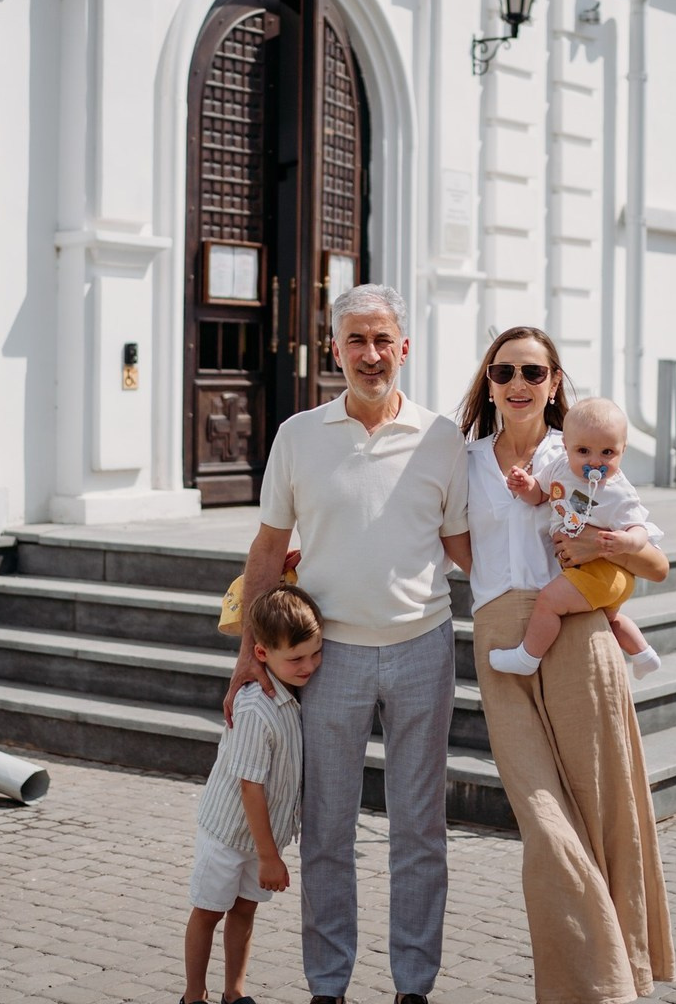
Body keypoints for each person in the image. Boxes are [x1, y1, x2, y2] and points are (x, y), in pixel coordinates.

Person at [224, 284, 470, 1004]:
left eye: (382, 339)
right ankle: (327, 986)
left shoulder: (441, 437)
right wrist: (249, 656)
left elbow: (463, 545)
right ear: (335, 350)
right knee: (328, 829)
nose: (370, 354)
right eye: (355, 341)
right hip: (328, 659)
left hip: (423, 646)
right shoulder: (298, 435)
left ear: (404, 346)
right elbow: (269, 549)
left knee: (419, 830)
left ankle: (413, 986)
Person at [457, 326, 675, 1002]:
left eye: (533, 371)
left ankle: (609, 982)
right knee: (546, 824)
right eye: (503, 372)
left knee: (605, 812)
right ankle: (604, 981)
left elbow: (656, 563)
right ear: (488, 383)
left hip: (580, 636)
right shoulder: (461, 462)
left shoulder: (581, 450)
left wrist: (607, 545)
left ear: (554, 383)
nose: (517, 383)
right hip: (502, 642)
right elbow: (443, 540)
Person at [183, 585, 325, 1004]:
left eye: (315, 653)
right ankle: (193, 995)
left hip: (262, 839)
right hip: (229, 836)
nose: (310, 666)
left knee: (245, 912)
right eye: (296, 658)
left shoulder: (294, 695)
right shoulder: (254, 707)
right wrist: (268, 856)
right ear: (261, 654)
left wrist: (267, 850)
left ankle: (235, 992)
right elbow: (250, 786)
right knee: (208, 912)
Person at [491, 396, 662, 680]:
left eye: (608, 452)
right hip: (598, 578)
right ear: (565, 446)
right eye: (583, 451)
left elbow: (640, 529)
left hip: (602, 570)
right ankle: (644, 655)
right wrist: (526, 485)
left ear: (623, 450)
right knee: (611, 618)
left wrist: (625, 541)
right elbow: (541, 495)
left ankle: (527, 657)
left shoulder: (619, 492)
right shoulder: (559, 468)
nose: (595, 461)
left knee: (548, 602)